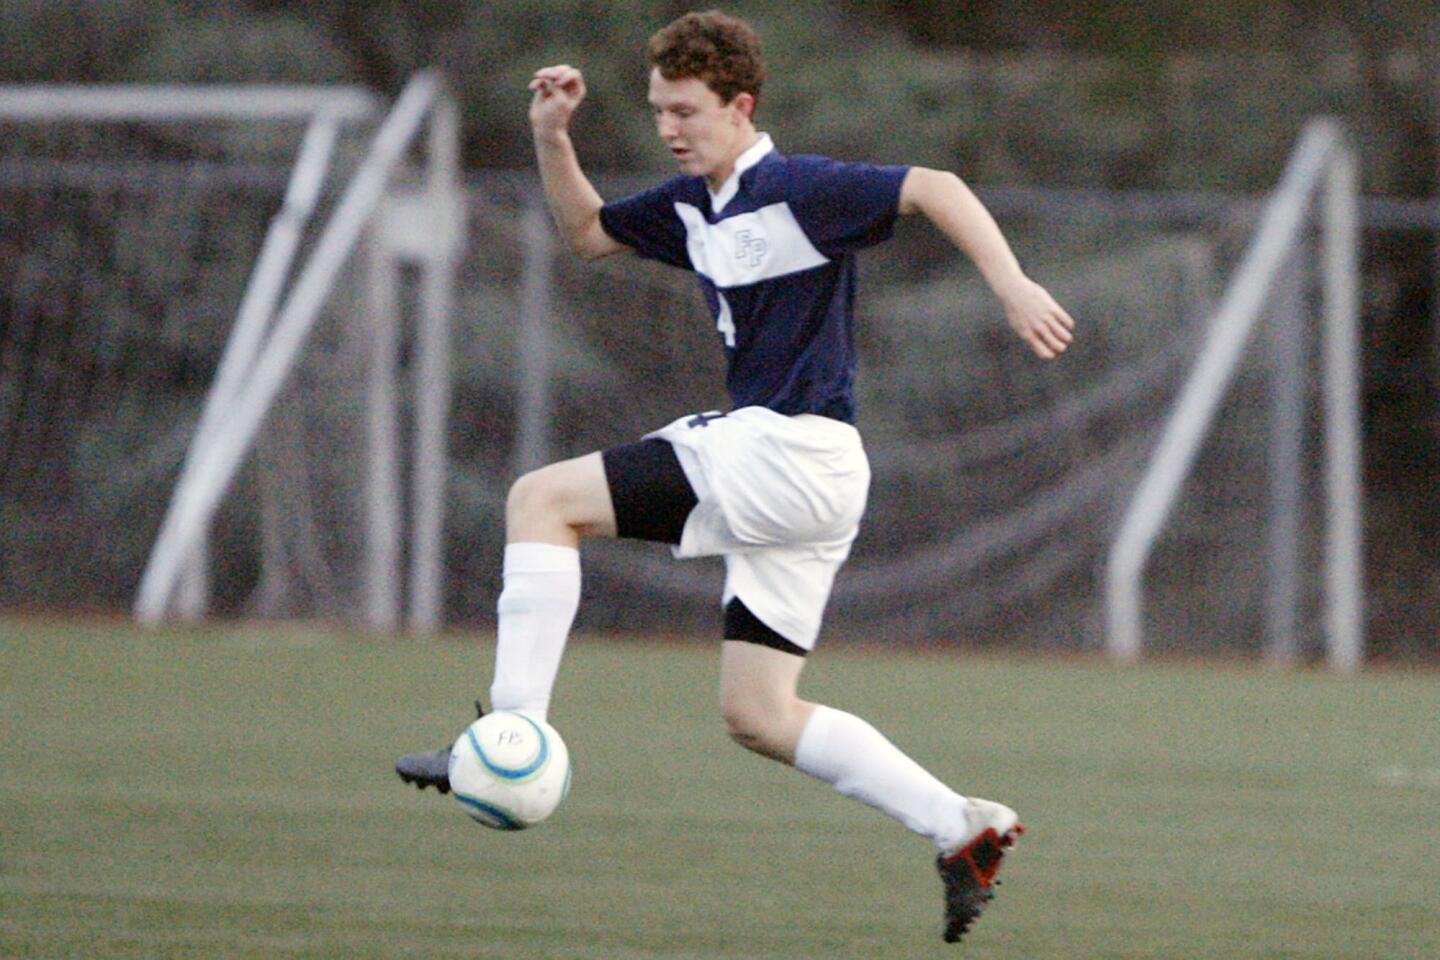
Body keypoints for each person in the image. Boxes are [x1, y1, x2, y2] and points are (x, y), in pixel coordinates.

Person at [398, 9, 1074, 945]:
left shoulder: (798, 187)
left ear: (741, 105)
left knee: (540, 501)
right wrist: (552, 136)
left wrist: (1012, 283)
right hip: (808, 479)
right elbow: (589, 233)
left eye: (686, 110)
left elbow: (939, 186)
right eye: (658, 111)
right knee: (759, 714)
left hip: (789, 453)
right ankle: (963, 826)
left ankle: (510, 739)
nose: (669, 128)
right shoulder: (691, 204)